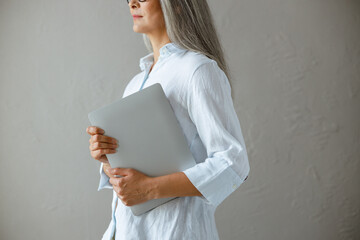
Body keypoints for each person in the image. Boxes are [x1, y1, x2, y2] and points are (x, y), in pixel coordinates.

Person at [86, 0, 250, 239]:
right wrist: (108, 157)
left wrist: (149, 189)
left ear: (177, 5)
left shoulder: (197, 70)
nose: (131, 3)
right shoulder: (135, 84)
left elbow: (233, 163)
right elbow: (136, 175)